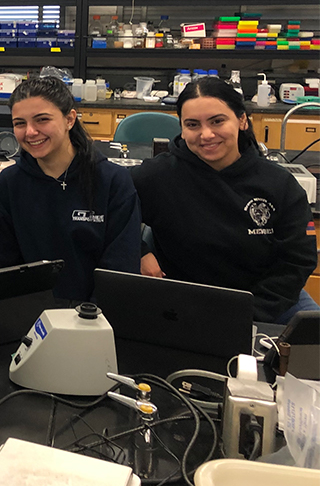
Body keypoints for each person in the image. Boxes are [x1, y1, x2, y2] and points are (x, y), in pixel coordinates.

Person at [133, 77, 317, 324]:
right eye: (192, 124)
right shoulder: (157, 177)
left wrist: (247, 315)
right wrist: (140, 252)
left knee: (311, 349)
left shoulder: (279, 184)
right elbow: (107, 207)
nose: (206, 134)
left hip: (268, 300)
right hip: (184, 300)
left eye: (217, 121)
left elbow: (298, 260)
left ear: (241, 120)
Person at [0, 76, 141, 302]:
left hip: (95, 320)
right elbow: (1, 267)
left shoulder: (113, 182)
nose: (30, 132)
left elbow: (120, 272)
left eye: (42, 119)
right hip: (28, 318)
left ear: (70, 119)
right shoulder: (10, 184)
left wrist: (86, 324)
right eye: (20, 123)